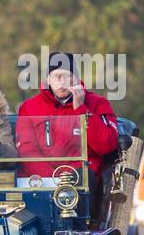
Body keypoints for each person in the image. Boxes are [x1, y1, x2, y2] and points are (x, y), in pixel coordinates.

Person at [15, 53, 120, 190]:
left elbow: (106, 145)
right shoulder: (29, 108)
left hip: (82, 177)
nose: (62, 81)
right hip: (41, 179)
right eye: (56, 76)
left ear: (76, 78)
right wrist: (55, 177)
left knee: (83, 182)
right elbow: (27, 151)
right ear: (48, 80)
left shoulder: (97, 103)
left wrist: (82, 109)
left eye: (67, 76)